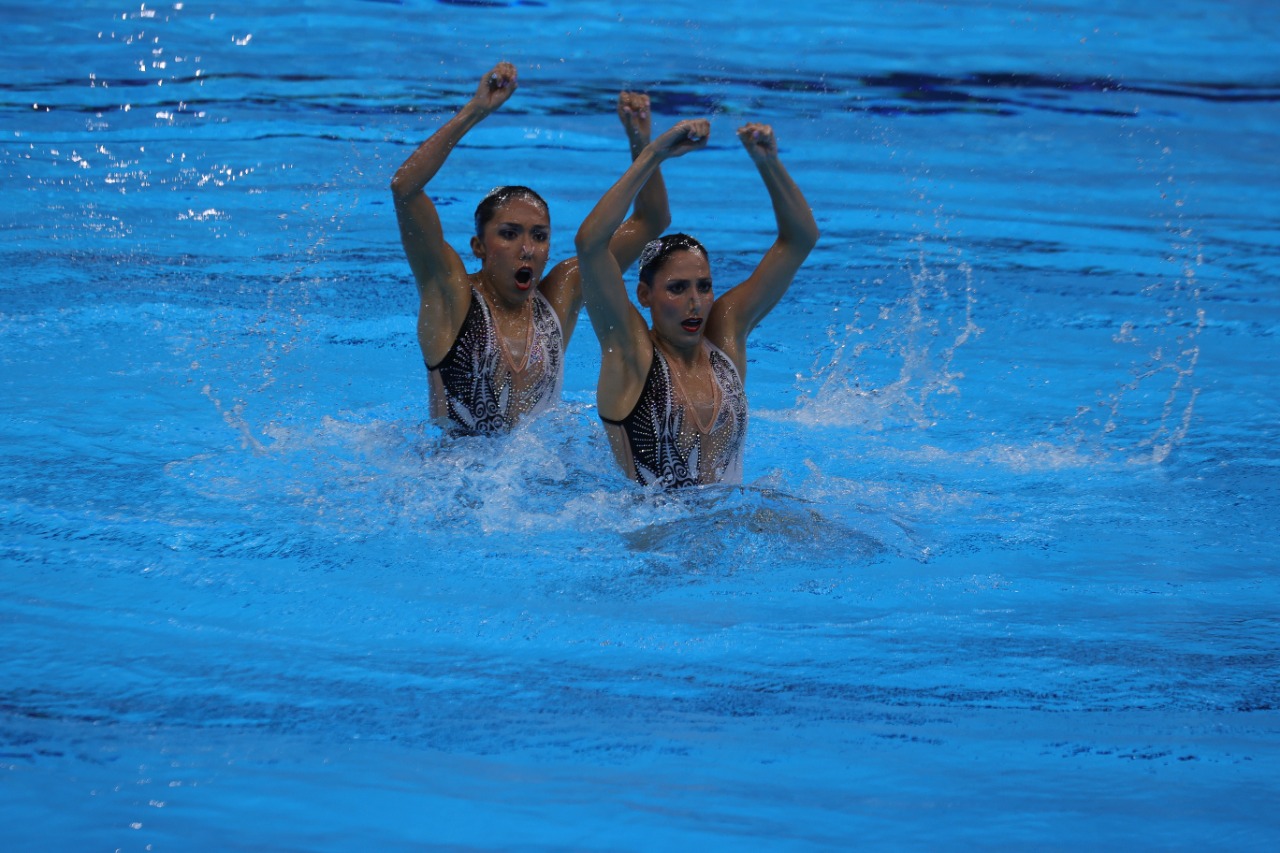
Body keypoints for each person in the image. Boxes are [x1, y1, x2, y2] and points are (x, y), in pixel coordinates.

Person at [390, 62, 670, 435]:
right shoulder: (451, 293)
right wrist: (476, 111)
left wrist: (642, 145)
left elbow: (652, 221)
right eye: (509, 234)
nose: (527, 249)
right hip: (450, 480)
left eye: (539, 236)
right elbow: (404, 190)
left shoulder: (561, 296)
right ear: (479, 246)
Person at [574, 119, 819, 488]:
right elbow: (591, 243)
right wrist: (653, 154)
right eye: (676, 288)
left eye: (704, 286)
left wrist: (768, 162)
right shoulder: (632, 353)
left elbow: (800, 239)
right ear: (645, 296)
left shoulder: (725, 339)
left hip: (728, 526)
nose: (695, 303)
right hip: (652, 536)